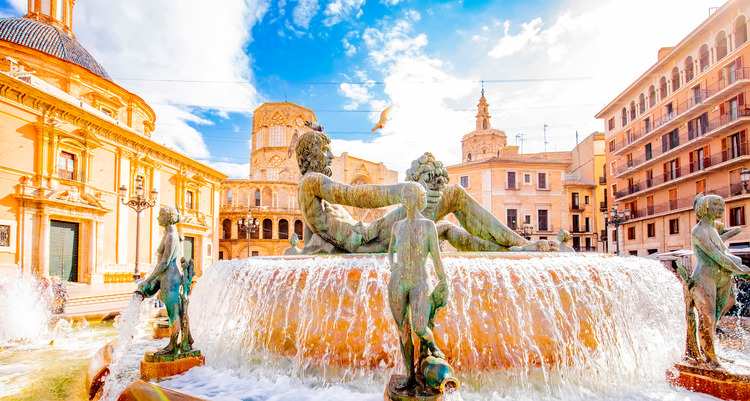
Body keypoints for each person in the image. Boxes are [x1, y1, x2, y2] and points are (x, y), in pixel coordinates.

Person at [295, 131, 548, 253]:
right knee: (455, 194)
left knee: (446, 229)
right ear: (309, 154)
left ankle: (509, 251)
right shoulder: (312, 181)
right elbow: (353, 195)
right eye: (324, 150)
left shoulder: (309, 191)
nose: (329, 155)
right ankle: (523, 244)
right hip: (370, 238)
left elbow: (312, 238)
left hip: (372, 237)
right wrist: (403, 191)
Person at [387, 182, 448, 389]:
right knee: (403, 329)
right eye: (402, 192)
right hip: (398, 280)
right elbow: (390, 251)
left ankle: (431, 344)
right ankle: (410, 376)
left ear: (418, 198)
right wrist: (392, 265)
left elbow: (437, 258)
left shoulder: (428, 226)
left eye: (408, 192)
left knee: (420, 327)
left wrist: (444, 281)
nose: (403, 195)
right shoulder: (397, 226)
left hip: (420, 279)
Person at [686, 194, 750, 368]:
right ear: (705, 208)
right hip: (704, 278)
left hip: (721, 278)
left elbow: (735, 232)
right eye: (718, 205)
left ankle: (710, 352)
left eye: (723, 205)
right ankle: (710, 359)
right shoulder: (698, 231)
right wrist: (741, 270)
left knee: (717, 316)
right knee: (707, 317)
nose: (722, 209)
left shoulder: (714, 228)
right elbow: (718, 256)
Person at [136, 206, 189, 355]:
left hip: (170, 278)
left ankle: (173, 345)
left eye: (161, 215)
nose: (159, 218)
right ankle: (174, 343)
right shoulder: (168, 234)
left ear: (169, 217)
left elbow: (165, 262)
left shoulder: (172, 235)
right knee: (172, 311)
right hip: (164, 277)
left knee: (174, 314)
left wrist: (148, 279)